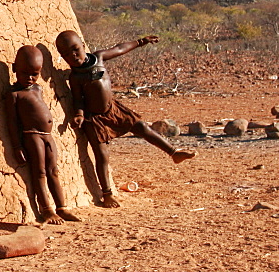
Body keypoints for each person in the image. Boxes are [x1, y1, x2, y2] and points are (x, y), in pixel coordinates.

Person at [54, 31, 195, 208]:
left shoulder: (99, 58)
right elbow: (78, 100)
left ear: (83, 45)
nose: (73, 56)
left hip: (113, 109)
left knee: (142, 127)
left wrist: (141, 41)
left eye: (75, 50)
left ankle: (174, 153)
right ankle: (107, 194)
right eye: (66, 55)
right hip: (94, 119)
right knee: (101, 155)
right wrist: (79, 115)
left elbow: (120, 48)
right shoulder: (75, 77)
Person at [5, 45, 81, 224]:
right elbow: (12, 123)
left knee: (53, 170)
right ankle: (46, 209)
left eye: (35, 74)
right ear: (14, 69)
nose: (30, 78)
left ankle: (62, 207)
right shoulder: (14, 95)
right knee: (39, 172)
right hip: (31, 135)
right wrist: (17, 146)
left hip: (47, 135)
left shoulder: (37, 89)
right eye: (25, 73)